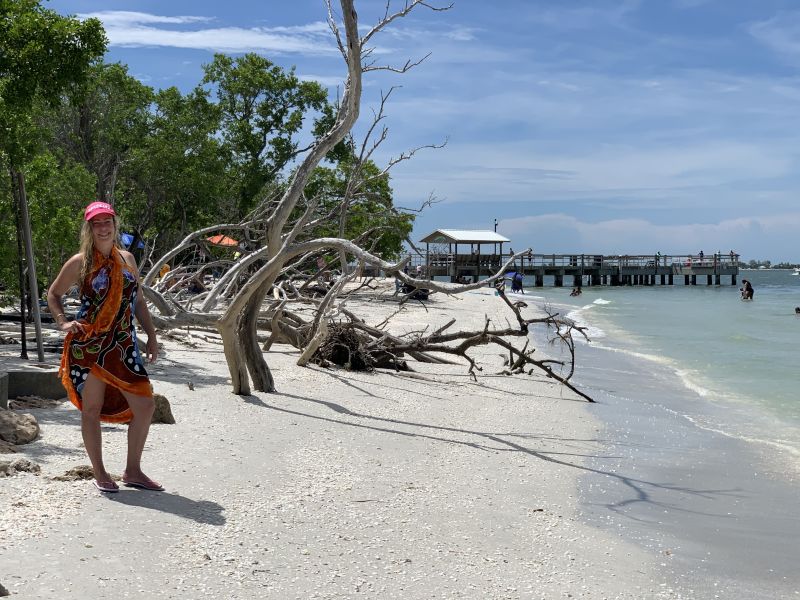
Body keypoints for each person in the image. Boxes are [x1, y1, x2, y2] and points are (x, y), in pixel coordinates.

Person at [47, 201, 161, 494]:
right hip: (90, 345)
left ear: (114, 223)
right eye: (96, 223)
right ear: (89, 228)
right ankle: (99, 472)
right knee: (92, 409)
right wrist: (62, 322)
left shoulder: (127, 259)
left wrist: (151, 334)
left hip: (123, 344)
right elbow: (54, 293)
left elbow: (137, 300)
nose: (103, 227)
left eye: (107, 221)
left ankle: (133, 470)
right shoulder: (80, 262)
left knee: (145, 405)